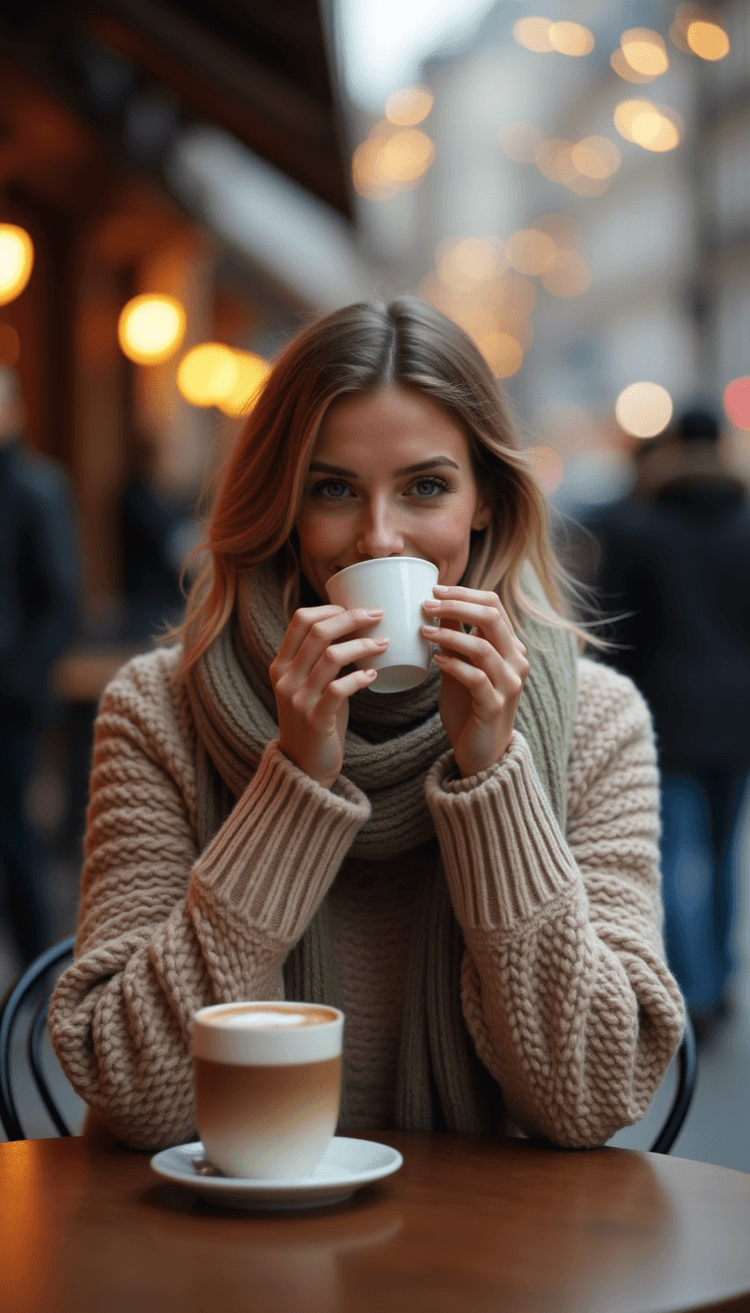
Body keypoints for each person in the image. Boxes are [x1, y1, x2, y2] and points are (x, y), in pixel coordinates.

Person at [48, 300, 684, 1152]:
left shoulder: (598, 723)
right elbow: (133, 1088)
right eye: (334, 489)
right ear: (284, 503)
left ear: (484, 502)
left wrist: (494, 776)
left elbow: (592, 1093)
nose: (379, 538)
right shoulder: (158, 708)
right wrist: (295, 787)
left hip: (492, 1256)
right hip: (218, 1255)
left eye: (425, 486)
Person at [580, 408, 750, 1038]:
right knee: (723, 852)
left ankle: (695, 991)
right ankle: (722, 978)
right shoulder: (747, 522)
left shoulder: (642, 525)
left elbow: (614, 631)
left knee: (678, 855)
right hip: (739, 718)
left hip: (667, 713)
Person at [0, 365, 79, 966]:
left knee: (12, 836)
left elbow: (61, 601)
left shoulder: (37, 487)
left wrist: (21, 681)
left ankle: (33, 973)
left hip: (11, 697)